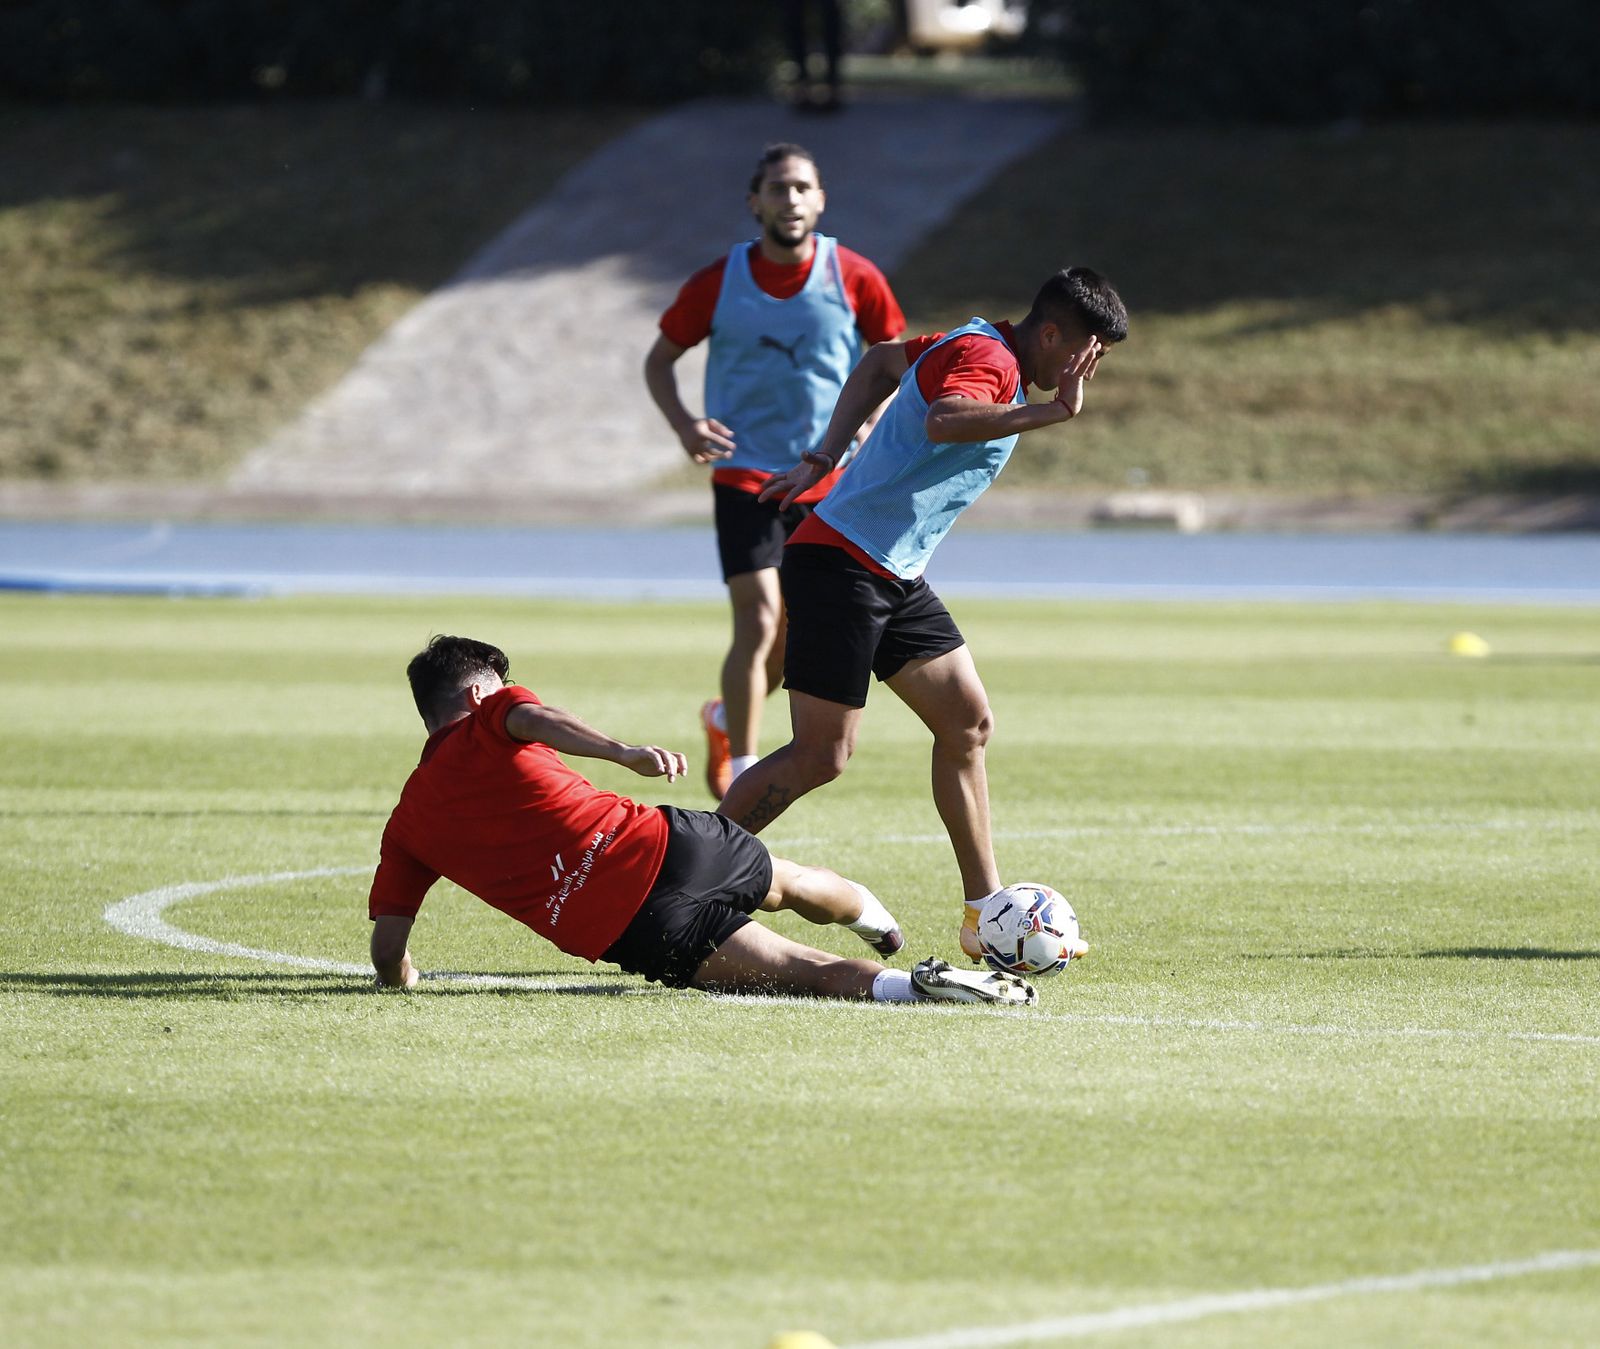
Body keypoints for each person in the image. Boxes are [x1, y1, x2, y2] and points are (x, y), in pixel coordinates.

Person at [716, 267, 1128, 962]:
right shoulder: (989, 360)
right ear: (1052, 334)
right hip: (843, 563)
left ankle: (982, 910)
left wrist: (824, 455)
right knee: (823, 755)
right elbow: (946, 419)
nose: (1086, 368)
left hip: (891, 570)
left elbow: (880, 362)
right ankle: (686, 873)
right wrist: (1053, 412)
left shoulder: (972, 339)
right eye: (1088, 353)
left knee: (967, 721)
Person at [366, 635, 1036, 1006]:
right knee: (796, 883)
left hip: (640, 926)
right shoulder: (495, 712)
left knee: (804, 971)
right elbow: (533, 716)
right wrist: (620, 751)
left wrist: (401, 976)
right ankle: (882, 928)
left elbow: (388, 942)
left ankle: (915, 984)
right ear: (479, 691)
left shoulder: (407, 825)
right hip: (675, 843)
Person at [644, 142, 905, 801]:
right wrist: (684, 424)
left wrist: (874, 420)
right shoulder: (717, 281)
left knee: (792, 636)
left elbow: (895, 360)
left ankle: (728, 714)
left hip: (825, 478)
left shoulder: (854, 275)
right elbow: (659, 359)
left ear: (820, 199)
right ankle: (743, 759)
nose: (790, 199)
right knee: (759, 619)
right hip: (745, 475)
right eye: (777, 188)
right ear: (754, 202)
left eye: (802, 188)